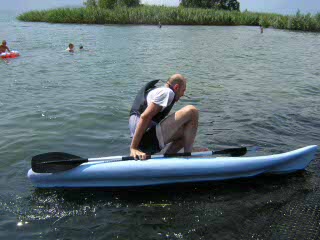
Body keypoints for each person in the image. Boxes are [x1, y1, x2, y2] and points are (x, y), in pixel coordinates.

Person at [129, 74, 199, 160]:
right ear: (176, 87)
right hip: (144, 141)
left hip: (144, 140)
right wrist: (134, 148)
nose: (183, 94)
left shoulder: (158, 90)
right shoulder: (167, 93)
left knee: (186, 132)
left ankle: (169, 156)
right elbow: (145, 117)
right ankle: (188, 156)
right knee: (192, 111)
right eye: (183, 90)